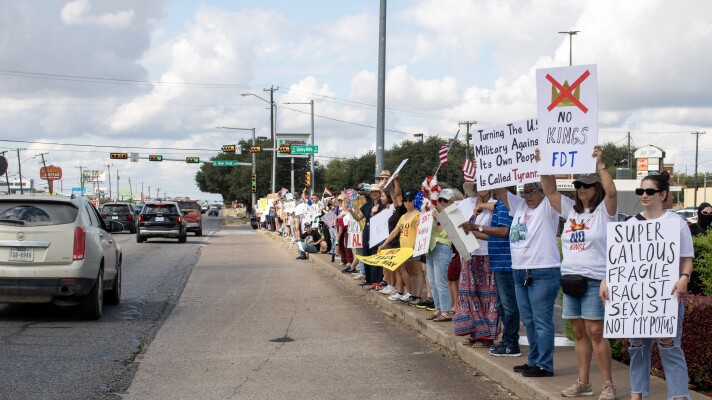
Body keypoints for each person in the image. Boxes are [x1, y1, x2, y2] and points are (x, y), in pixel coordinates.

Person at [601, 171, 694, 400]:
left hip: (667, 297)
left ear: (663, 194)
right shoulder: (630, 224)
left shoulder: (677, 223)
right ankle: (638, 394)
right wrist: (606, 279)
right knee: (637, 348)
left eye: (649, 191)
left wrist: (684, 277)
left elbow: (686, 258)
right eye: (640, 191)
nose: (644, 195)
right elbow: (619, 262)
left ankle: (678, 396)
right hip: (635, 299)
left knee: (670, 347)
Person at [539, 146, 618, 399]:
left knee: (596, 331)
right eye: (579, 186)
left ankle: (608, 384)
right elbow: (550, 190)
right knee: (580, 332)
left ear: (597, 189)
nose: (582, 189)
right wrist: (545, 165)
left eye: (587, 185)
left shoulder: (606, 212)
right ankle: (583, 382)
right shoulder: (571, 210)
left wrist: (600, 165)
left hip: (596, 279)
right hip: (571, 279)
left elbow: (613, 191)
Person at [493, 182, 561, 378]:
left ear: (542, 192)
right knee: (529, 320)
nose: (528, 196)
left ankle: (545, 365)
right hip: (520, 271)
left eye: (533, 191)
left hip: (542, 270)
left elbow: (552, 186)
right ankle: (534, 360)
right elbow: (499, 190)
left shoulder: (548, 206)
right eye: (525, 192)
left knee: (541, 321)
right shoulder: (520, 205)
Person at [456, 187, 500, 346]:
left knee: (489, 294)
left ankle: (487, 335)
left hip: (488, 253)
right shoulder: (465, 204)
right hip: (469, 253)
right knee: (469, 294)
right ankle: (475, 331)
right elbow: (455, 224)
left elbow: (498, 229)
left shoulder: (495, 203)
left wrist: (482, 206)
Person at [378, 189, 418, 300]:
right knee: (402, 270)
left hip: (412, 248)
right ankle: (408, 292)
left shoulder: (417, 214)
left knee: (412, 272)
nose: (407, 202)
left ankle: (411, 293)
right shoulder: (403, 216)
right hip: (403, 248)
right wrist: (384, 244)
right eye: (405, 200)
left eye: (410, 200)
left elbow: (419, 231)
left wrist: (415, 245)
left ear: (415, 201)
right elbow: (394, 232)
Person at [346, 184, 385, 286]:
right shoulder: (367, 205)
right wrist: (350, 211)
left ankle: (377, 280)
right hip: (367, 231)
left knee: (375, 255)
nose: (374, 193)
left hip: (378, 232)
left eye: (376, 191)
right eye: (372, 192)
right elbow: (358, 218)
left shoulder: (383, 205)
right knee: (366, 254)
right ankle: (368, 279)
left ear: (380, 193)